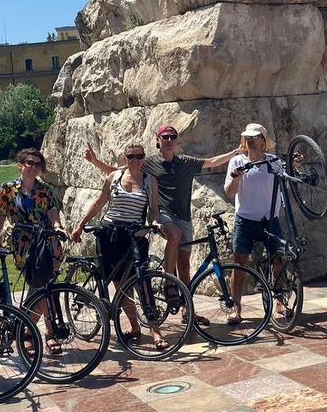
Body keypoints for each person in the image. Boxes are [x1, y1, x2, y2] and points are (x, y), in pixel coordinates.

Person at [85, 125, 242, 325]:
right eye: (164, 137)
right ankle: (169, 283)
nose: (168, 140)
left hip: (184, 217)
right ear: (158, 140)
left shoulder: (185, 162)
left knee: (184, 266)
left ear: (177, 140)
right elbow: (118, 171)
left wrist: (237, 152)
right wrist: (95, 162)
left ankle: (187, 310)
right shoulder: (148, 162)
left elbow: (212, 162)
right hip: (164, 214)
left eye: (172, 136)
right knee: (174, 236)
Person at [71, 142, 169, 347]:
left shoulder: (150, 181)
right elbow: (99, 202)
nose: (135, 160)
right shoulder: (114, 177)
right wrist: (81, 224)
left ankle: (155, 331)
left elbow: (153, 209)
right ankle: (134, 326)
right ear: (124, 158)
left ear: (144, 158)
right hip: (110, 234)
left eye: (139, 156)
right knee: (120, 284)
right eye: (131, 156)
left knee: (143, 282)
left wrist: (155, 222)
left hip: (135, 236)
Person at [0, 148, 67, 355]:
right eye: (29, 163)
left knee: (45, 288)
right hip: (24, 244)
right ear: (20, 165)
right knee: (38, 287)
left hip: (47, 243)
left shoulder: (45, 189)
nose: (33, 167)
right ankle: (37, 332)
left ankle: (35, 333)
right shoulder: (9, 189)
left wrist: (57, 227)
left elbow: (52, 213)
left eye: (38, 164)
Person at [225, 123, 290, 322]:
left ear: (263, 140)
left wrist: (294, 168)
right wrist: (236, 178)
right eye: (248, 138)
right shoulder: (237, 161)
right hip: (245, 219)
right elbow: (229, 192)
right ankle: (236, 307)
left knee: (278, 260)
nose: (251, 141)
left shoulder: (275, 162)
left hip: (270, 219)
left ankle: (281, 301)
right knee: (239, 264)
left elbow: (286, 185)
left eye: (255, 137)